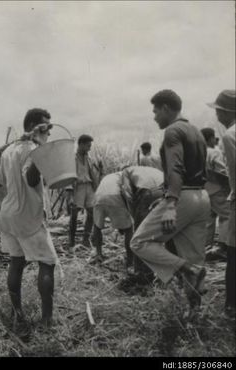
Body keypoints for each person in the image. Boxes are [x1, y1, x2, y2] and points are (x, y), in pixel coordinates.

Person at [130, 90, 210, 309]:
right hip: (202, 197)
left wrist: (171, 203)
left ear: (166, 108)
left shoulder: (173, 131)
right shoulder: (196, 131)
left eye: (156, 111)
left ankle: (184, 268)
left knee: (139, 242)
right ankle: (194, 315)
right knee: (195, 258)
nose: (154, 116)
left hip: (182, 195)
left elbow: (176, 167)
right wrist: (167, 198)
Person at [0, 108, 58, 328]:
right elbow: (30, 179)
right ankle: (47, 319)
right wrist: (40, 152)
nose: (49, 132)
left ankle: (17, 313)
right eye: (46, 127)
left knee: (16, 262)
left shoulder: (10, 151)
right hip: (27, 215)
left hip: (8, 215)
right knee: (47, 263)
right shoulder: (32, 149)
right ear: (35, 126)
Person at [91, 166, 164, 283]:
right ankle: (130, 261)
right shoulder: (126, 175)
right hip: (116, 197)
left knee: (97, 226)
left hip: (98, 198)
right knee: (129, 229)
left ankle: (98, 254)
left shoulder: (109, 176)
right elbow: (127, 196)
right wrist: (130, 219)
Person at [207, 89, 235, 318]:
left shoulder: (229, 136)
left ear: (226, 112)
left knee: (233, 254)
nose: (216, 114)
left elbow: (233, 174)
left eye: (218, 109)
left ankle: (231, 307)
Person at [200, 128, 230, 259]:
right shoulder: (214, 152)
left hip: (203, 190)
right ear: (211, 138)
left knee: (209, 219)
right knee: (226, 216)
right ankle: (222, 246)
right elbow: (222, 171)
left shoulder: (198, 153)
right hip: (217, 189)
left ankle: (206, 247)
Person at [66, 134, 99, 249]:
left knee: (92, 213)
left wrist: (96, 187)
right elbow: (69, 177)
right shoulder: (72, 158)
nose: (89, 148)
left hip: (88, 187)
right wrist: (69, 194)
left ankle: (86, 239)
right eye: (88, 146)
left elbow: (92, 174)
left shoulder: (88, 158)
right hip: (78, 187)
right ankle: (71, 241)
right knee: (74, 215)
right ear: (81, 144)